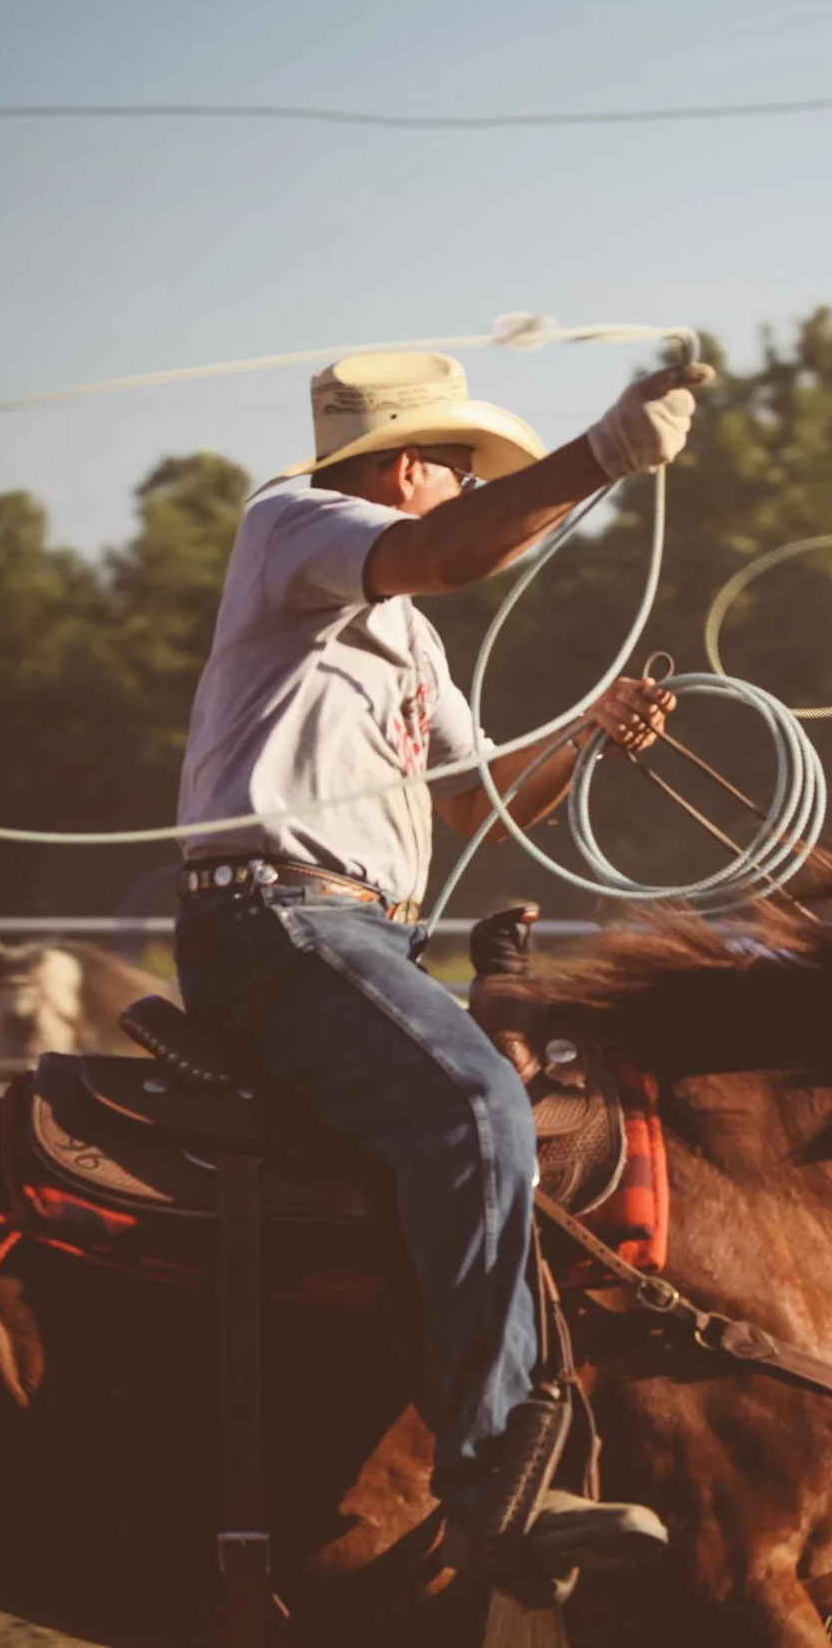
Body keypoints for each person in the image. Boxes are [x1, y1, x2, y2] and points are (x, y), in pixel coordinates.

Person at [172, 348, 711, 1595]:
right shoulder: (291, 523)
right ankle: (488, 1477)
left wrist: (585, 737)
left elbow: (484, 802)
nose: (466, 489)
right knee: (474, 1107)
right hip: (278, 923)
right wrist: (603, 458)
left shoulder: (411, 641)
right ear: (408, 465)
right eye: (457, 469)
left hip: (358, 933)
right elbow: (458, 550)